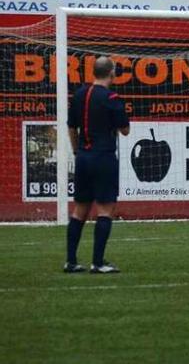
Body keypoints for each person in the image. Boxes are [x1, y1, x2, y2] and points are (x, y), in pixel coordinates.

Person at [64, 56, 130, 274]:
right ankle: (98, 262)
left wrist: (76, 151)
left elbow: (72, 127)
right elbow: (125, 130)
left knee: (80, 209)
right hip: (103, 157)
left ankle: (71, 261)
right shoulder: (112, 97)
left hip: (83, 156)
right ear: (112, 73)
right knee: (105, 209)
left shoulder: (79, 94)